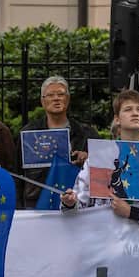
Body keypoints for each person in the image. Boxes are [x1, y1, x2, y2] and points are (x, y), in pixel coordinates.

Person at [61, 89, 139, 230]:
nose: (134, 113)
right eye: (128, 109)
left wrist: (133, 213)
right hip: (102, 244)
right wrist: (69, 203)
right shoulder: (99, 159)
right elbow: (74, 212)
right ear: (117, 119)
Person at [18, 76, 94, 208]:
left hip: (77, 204)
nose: (56, 98)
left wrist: (88, 159)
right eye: (50, 95)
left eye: (61, 94)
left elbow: (102, 171)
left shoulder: (86, 133)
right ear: (42, 101)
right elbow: (17, 173)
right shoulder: (29, 134)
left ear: (68, 99)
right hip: (36, 204)